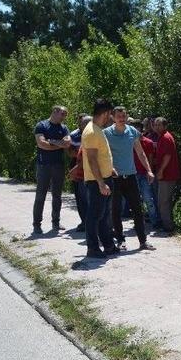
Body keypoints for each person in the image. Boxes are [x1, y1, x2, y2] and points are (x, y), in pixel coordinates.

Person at [104, 107, 156, 251]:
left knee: (137, 210)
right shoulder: (106, 133)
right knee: (116, 210)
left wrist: (149, 170)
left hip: (131, 175)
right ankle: (120, 240)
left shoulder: (132, 131)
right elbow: (103, 155)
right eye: (119, 116)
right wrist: (110, 168)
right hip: (115, 177)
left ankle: (143, 241)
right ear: (113, 117)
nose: (122, 118)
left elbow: (141, 153)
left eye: (124, 116)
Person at [82, 99, 117, 258]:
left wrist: (110, 169)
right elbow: (92, 160)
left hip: (105, 178)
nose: (111, 117)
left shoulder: (97, 129)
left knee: (104, 216)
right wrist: (101, 183)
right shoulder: (92, 132)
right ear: (105, 113)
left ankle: (108, 245)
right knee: (95, 215)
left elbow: (101, 156)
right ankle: (93, 248)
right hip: (97, 182)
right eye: (110, 114)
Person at [32, 105, 71, 235]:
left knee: (57, 196)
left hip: (58, 165)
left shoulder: (64, 128)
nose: (64, 116)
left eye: (65, 114)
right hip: (43, 166)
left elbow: (67, 143)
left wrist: (52, 142)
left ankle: (56, 222)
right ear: (54, 112)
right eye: (63, 113)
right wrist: (57, 144)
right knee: (40, 196)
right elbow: (41, 144)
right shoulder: (41, 125)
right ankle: (37, 224)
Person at [154, 117, 181, 233]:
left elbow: (167, 156)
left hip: (167, 175)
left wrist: (160, 171)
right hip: (167, 174)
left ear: (165, 126)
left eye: (159, 125)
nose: (157, 127)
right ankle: (168, 224)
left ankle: (168, 226)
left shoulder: (165, 137)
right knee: (166, 201)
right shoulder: (162, 137)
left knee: (163, 201)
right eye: (155, 125)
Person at [131, 119, 159, 228]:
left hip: (144, 173)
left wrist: (149, 171)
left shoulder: (148, 142)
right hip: (132, 174)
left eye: (136, 129)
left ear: (140, 129)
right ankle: (138, 222)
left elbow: (151, 159)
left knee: (148, 198)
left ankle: (154, 220)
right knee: (136, 200)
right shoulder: (129, 142)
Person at [69, 114, 92, 231]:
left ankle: (91, 223)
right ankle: (84, 222)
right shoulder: (74, 135)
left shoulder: (95, 134)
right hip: (78, 167)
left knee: (90, 198)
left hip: (89, 169)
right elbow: (70, 152)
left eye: (88, 123)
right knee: (80, 198)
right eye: (83, 123)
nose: (85, 125)